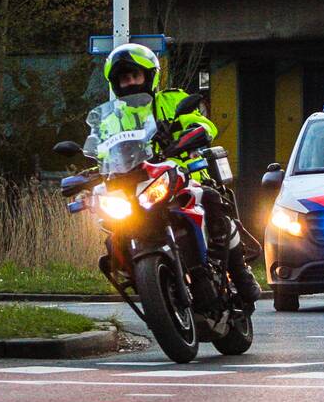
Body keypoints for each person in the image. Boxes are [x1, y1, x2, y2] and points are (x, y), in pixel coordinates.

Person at [100, 43, 261, 304]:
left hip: (184, 173)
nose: (129, 82)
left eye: (135, 75)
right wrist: (91, 172)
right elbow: (102, 153)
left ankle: (237, 271)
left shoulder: (173, 100)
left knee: (211, 200)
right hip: (137, 187)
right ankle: (149, 287)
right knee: (113, 236)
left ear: (149, 76)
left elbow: (202, 125)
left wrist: (185, 138)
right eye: (123, 78)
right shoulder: (112, 120)